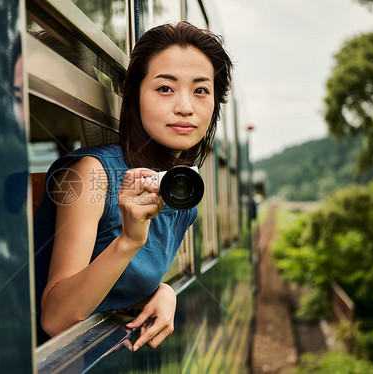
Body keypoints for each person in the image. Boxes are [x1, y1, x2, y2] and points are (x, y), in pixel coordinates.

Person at [34, 21, 233, 349]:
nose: (185, 107)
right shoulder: (92, 174)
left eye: (201, 90)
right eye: (165, 88)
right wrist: (128, 240)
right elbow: (56, 318)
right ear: (135, 96)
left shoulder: (181, 195)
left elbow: (113, 286)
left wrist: (161, 291)